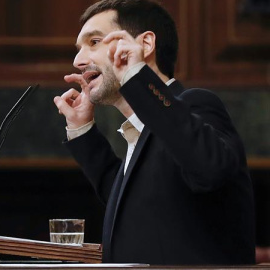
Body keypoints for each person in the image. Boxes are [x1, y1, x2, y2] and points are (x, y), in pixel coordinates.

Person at [53, 0, 255, 265]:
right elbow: (133, 201)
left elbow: (210, 169)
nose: (78, 61)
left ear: (144, 45)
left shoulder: (196, 104)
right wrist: (82, 130)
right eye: (79, 49)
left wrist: (138, 78)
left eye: (94, 42)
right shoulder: (145, 130)